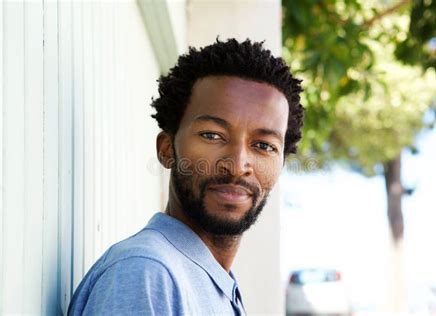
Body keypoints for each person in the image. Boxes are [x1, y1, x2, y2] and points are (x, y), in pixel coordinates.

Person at [68, 38, 304, 315]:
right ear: (167, 149)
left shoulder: (209, 280)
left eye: (264, 146)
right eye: (212, 135)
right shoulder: (147, 273)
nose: (238, 165)